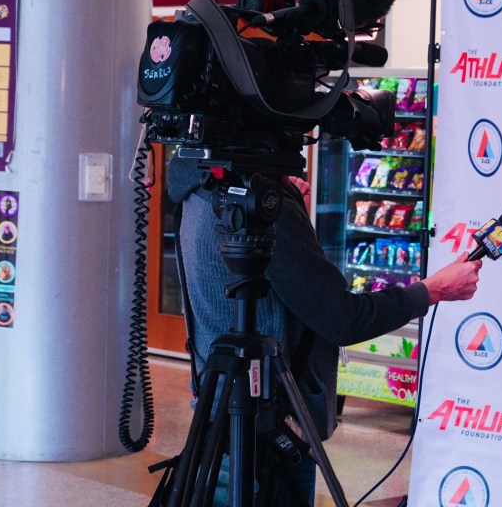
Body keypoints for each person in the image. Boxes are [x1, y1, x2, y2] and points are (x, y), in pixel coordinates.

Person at [168, 154, 482, 505]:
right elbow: (341, 318)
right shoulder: (253, 202)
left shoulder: (202, 188)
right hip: (270, 430)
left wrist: (292, 214)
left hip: (222, 411)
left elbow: (281, 292)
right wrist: (432, 290)